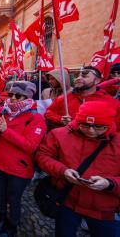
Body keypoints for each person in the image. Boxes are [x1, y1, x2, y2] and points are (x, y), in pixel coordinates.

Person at [36, 101, 120, 237]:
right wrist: (62, 171)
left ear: (109, 124)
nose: (91, 130)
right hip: (67, 201)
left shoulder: (117, 143)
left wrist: (110, 183)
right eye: (85, 125)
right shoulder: (59, 134)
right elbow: (43, 156)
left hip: (104, 209)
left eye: (99, 127)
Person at [0, 81, 47, 236]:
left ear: (27, 97)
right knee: (0, 195)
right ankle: (1, 217)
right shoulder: (3, 110)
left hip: (19, 169)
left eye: (18, 95)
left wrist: (6, 131)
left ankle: (12, 224)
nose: (12, 98)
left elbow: (30, 146)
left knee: (13, 198)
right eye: (11, 94)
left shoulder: (36, 118)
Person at [45, 66, 120, 130]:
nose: (78, 78)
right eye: (78, 76)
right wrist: (60, 119)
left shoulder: (110, 102)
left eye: (84, 76)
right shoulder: (63, 98)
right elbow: (48, 113)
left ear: (97, 80)